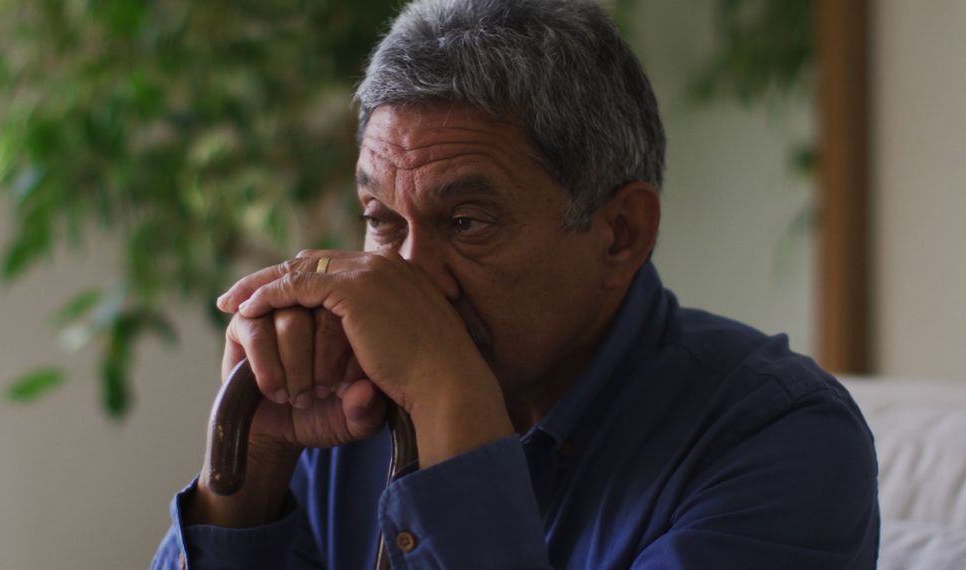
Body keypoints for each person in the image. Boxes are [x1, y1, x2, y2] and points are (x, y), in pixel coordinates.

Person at [152, 0, 879, 568]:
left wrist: (452, 406)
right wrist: (248, 479)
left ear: (620, 233)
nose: (406, 282)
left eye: (468, 222)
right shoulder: (339, 406)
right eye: (380, 219)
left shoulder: (783, 442)